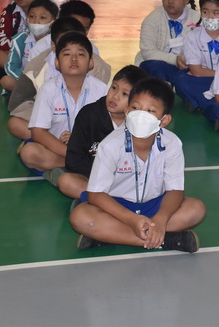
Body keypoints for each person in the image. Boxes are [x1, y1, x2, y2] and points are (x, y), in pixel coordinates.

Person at [69, 77, 206, 252]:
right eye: (136, 108)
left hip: (155, 205)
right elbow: (96, 195)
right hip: (117, 207)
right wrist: (132, 219)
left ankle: (109, 236)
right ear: (127, 111)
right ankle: (166, 240)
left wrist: (161, 219)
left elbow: (175, 190)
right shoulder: (110, 145)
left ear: (164, 120)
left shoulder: (172, 144)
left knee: (196, 210)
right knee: (80, 217)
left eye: (150, 111)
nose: (141, 115)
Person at [6, 17, 112, 141]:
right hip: (52, 127)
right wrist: (48, 119)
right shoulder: (37, 66)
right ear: (53, 45)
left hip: (87, 131)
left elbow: (110, 114)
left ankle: (55, 147)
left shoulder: (100, 68)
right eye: (66, 49)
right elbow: (17, 101)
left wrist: (79, 134)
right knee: (15, 124)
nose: (73, 58)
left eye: (79, 51)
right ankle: (57, 144)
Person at [19, 32, 108, 172]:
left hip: (89, 148)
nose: (74, 59)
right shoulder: (48, 89)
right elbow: (38, 132)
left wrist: (79, 142)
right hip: (58, 149)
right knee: (29, 153)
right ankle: (79, 165)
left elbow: (107, 130)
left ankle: (66, 167)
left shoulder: (102, 90)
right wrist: (72, 152)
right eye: (66, 54)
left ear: (91, 63)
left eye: (80, 54)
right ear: (57, 63)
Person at [55, 65, 147, 200]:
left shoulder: (142, 124)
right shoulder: (88, 115)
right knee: (66, 181)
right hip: (95, 180)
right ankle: (109, 202)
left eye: (125, 94)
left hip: (128, 184)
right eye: (114, 88)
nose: (115, 96)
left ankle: (100, 202)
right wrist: (104, 177)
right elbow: (74, 159)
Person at [137, 0, 201, 89]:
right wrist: (174, 60)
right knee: (152, 67)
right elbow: (148, 52)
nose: (170, 1)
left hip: (186, 67)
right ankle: (168, 89)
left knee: (195, 74)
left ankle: (176, 86)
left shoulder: (197, 20)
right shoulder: (152, 20)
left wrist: (187, 62)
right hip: (159, 66)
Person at [175, 0, 219, 110]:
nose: (210, 17)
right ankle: (217, 105)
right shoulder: (192, 36)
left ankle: (199, 102)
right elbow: (196, 71)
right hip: (205, 79)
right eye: (205, 12)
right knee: (181, 79)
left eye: (216, 13)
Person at [1, 0, 59, 92]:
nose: (36, 21)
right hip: (26, 80)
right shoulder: (20, 38)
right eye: (32, 16)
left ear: (53, 22)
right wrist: (29, 80)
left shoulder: (56, 40)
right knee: (6, 81)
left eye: (42, 18)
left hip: (49, 80)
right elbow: (11, 66)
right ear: (27, 18)